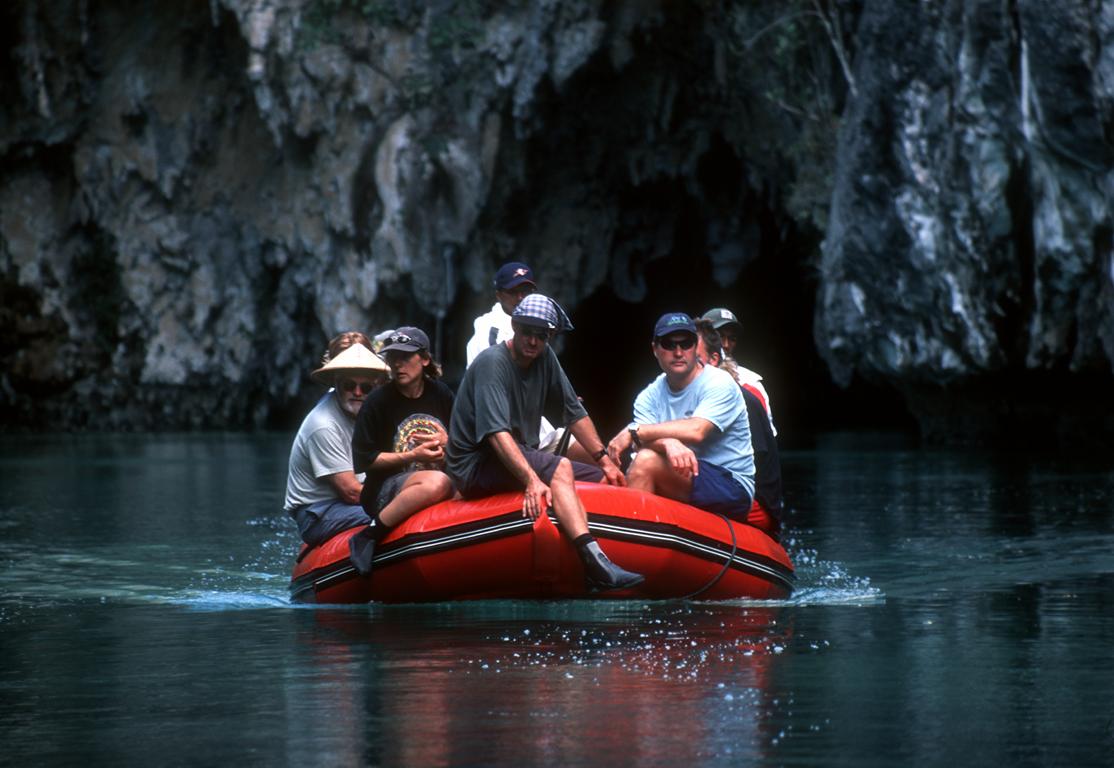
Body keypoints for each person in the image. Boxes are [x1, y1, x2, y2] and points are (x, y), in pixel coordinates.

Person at [447, 293, 644, 592]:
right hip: (475, 464)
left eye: (542, 335)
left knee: (605, 477)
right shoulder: (492, 363)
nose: (533, 341)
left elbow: (574, 412)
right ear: (514, 326)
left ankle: (610, 552)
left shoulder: (544, 358)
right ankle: (594, 564)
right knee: (561, 467)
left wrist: (605, 460)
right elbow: (496, 435)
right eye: (527, 331)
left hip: (516, 452)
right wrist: (531, 479)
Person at [606, 312, 755, 523]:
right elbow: (642, 444)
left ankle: (637, 544)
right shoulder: (647, 396)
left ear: (695, 347)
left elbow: (697, 431)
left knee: (646, 462)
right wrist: (669, 442)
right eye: (668, 344)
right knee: (636, 461)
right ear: (655, 350)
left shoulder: (719, 382)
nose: (678, 352)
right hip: (680, 474)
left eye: (686, 344)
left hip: (731, 484)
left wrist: (634, 431)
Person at [349, 326, 456, 574]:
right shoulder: (377, 402)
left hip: (437, 475)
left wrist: (447, 442)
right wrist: (413, 456)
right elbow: (363, 460)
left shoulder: (441, 394)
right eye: (393, 357)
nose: (398, 365)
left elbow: (464, 443)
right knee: (437, 483)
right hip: (384, 489)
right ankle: (369, 536)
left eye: (405, 357)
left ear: (425, 359)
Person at [284, 334, 390, 548]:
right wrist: (407, 499)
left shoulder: (373, 413)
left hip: (355, 498)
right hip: (320, 511)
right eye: (350, 385)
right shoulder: (323, 424)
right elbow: (351, 493)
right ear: (337, 383)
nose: (358, 393)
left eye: (366, 388)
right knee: (397, 512)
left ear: (376, 385)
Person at [466, 261, 572, 455]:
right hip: (500, 432)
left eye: (526, 291)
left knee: (589, 452)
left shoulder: (538, 329)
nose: (521, 297)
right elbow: (490, 400)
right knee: (560, 468)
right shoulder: (487, 333)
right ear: (499, 295)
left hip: (534, 426)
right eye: (514, 292)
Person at [694, 318, 783, 536]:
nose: (725, 343)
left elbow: (758, 457)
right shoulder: (675, 391)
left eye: (730, 338)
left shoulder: (747, 391)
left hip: (749, 494)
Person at [701, 307, 776, 434]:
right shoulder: (681, 378)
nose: (725, 344)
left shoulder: (750, 383)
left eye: (732, 338)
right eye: (719, 336)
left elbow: (766, 435)